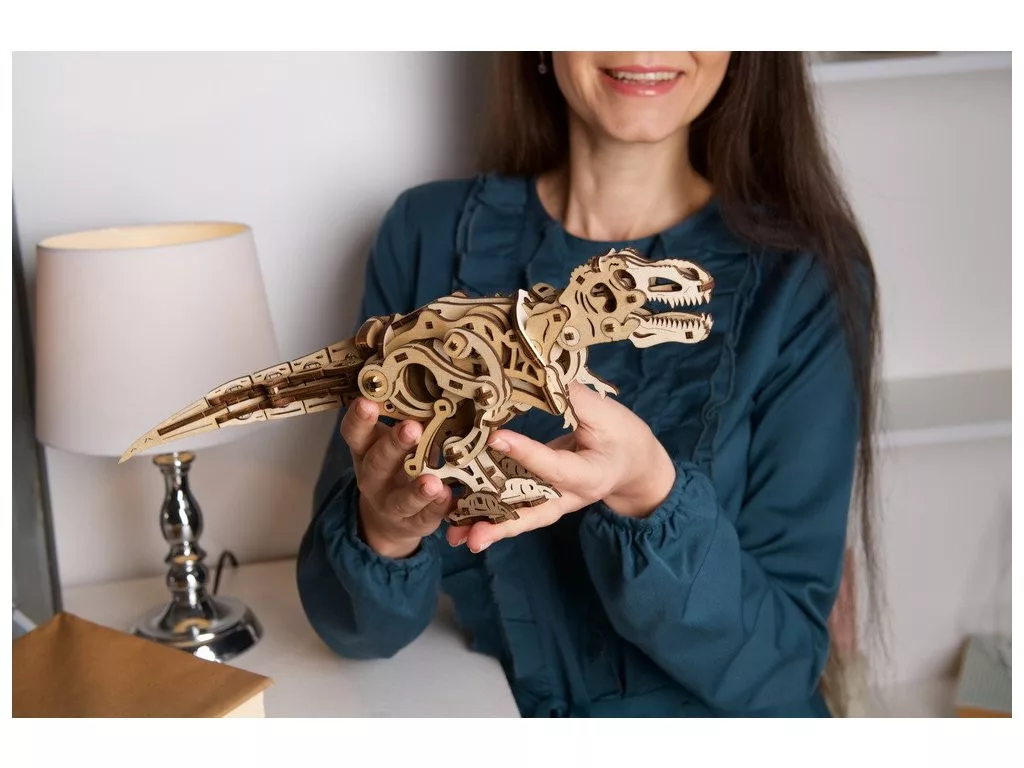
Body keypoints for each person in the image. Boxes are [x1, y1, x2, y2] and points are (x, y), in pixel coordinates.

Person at [296, 51, 881, 718]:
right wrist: (385, 527)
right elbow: (351, 630)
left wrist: (647, 492)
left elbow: (783, 668)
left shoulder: (804, 277)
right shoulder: (426, 235)